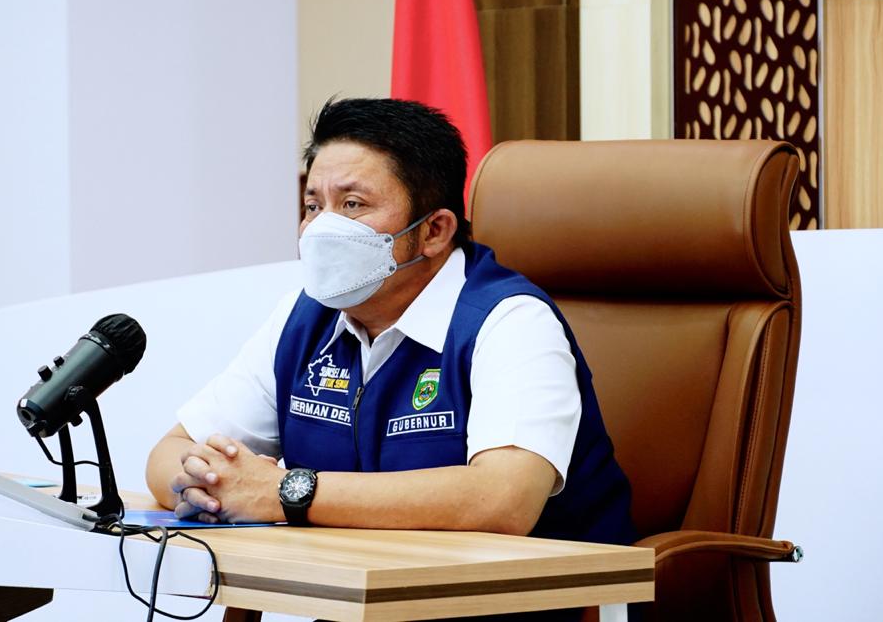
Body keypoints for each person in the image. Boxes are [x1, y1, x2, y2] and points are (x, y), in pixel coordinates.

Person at [146, 98, 634, 549]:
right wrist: (211, 486)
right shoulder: (306, 319)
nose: (322, 228)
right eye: (313, 206)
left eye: (352, 205)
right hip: (366, 591)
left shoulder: (510, 320)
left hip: (530, 599)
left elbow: (503, 500)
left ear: (434, 231)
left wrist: (285, 492)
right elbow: (170, 452)